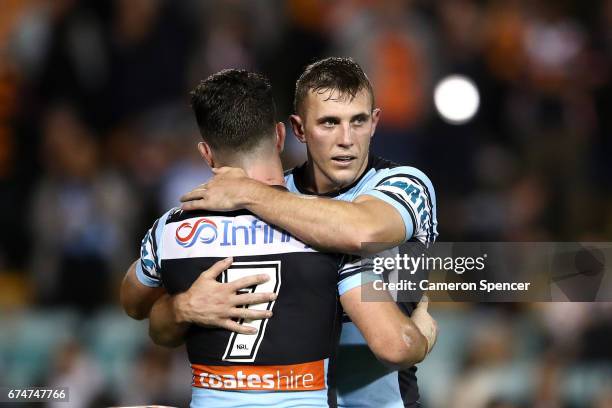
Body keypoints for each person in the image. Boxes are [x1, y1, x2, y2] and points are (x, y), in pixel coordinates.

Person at [120, 69, 436, 408]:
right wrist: (182, 307)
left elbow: (362, 229)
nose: (346, 138)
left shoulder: (403, 183)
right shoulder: (317, 236)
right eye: (329, 123)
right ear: (292, 132)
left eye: (357, 122)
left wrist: (247, 192)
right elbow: (150, 317)